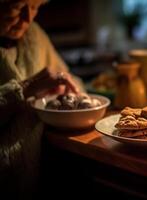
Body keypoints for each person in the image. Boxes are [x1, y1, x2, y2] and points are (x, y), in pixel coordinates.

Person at [0, 0, 82, 198]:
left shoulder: (34, 35)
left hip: (36, 177)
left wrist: (69, 91)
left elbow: (68, 78)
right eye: (18, 8)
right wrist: (26, 87)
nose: (28, 18)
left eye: (36, 7)